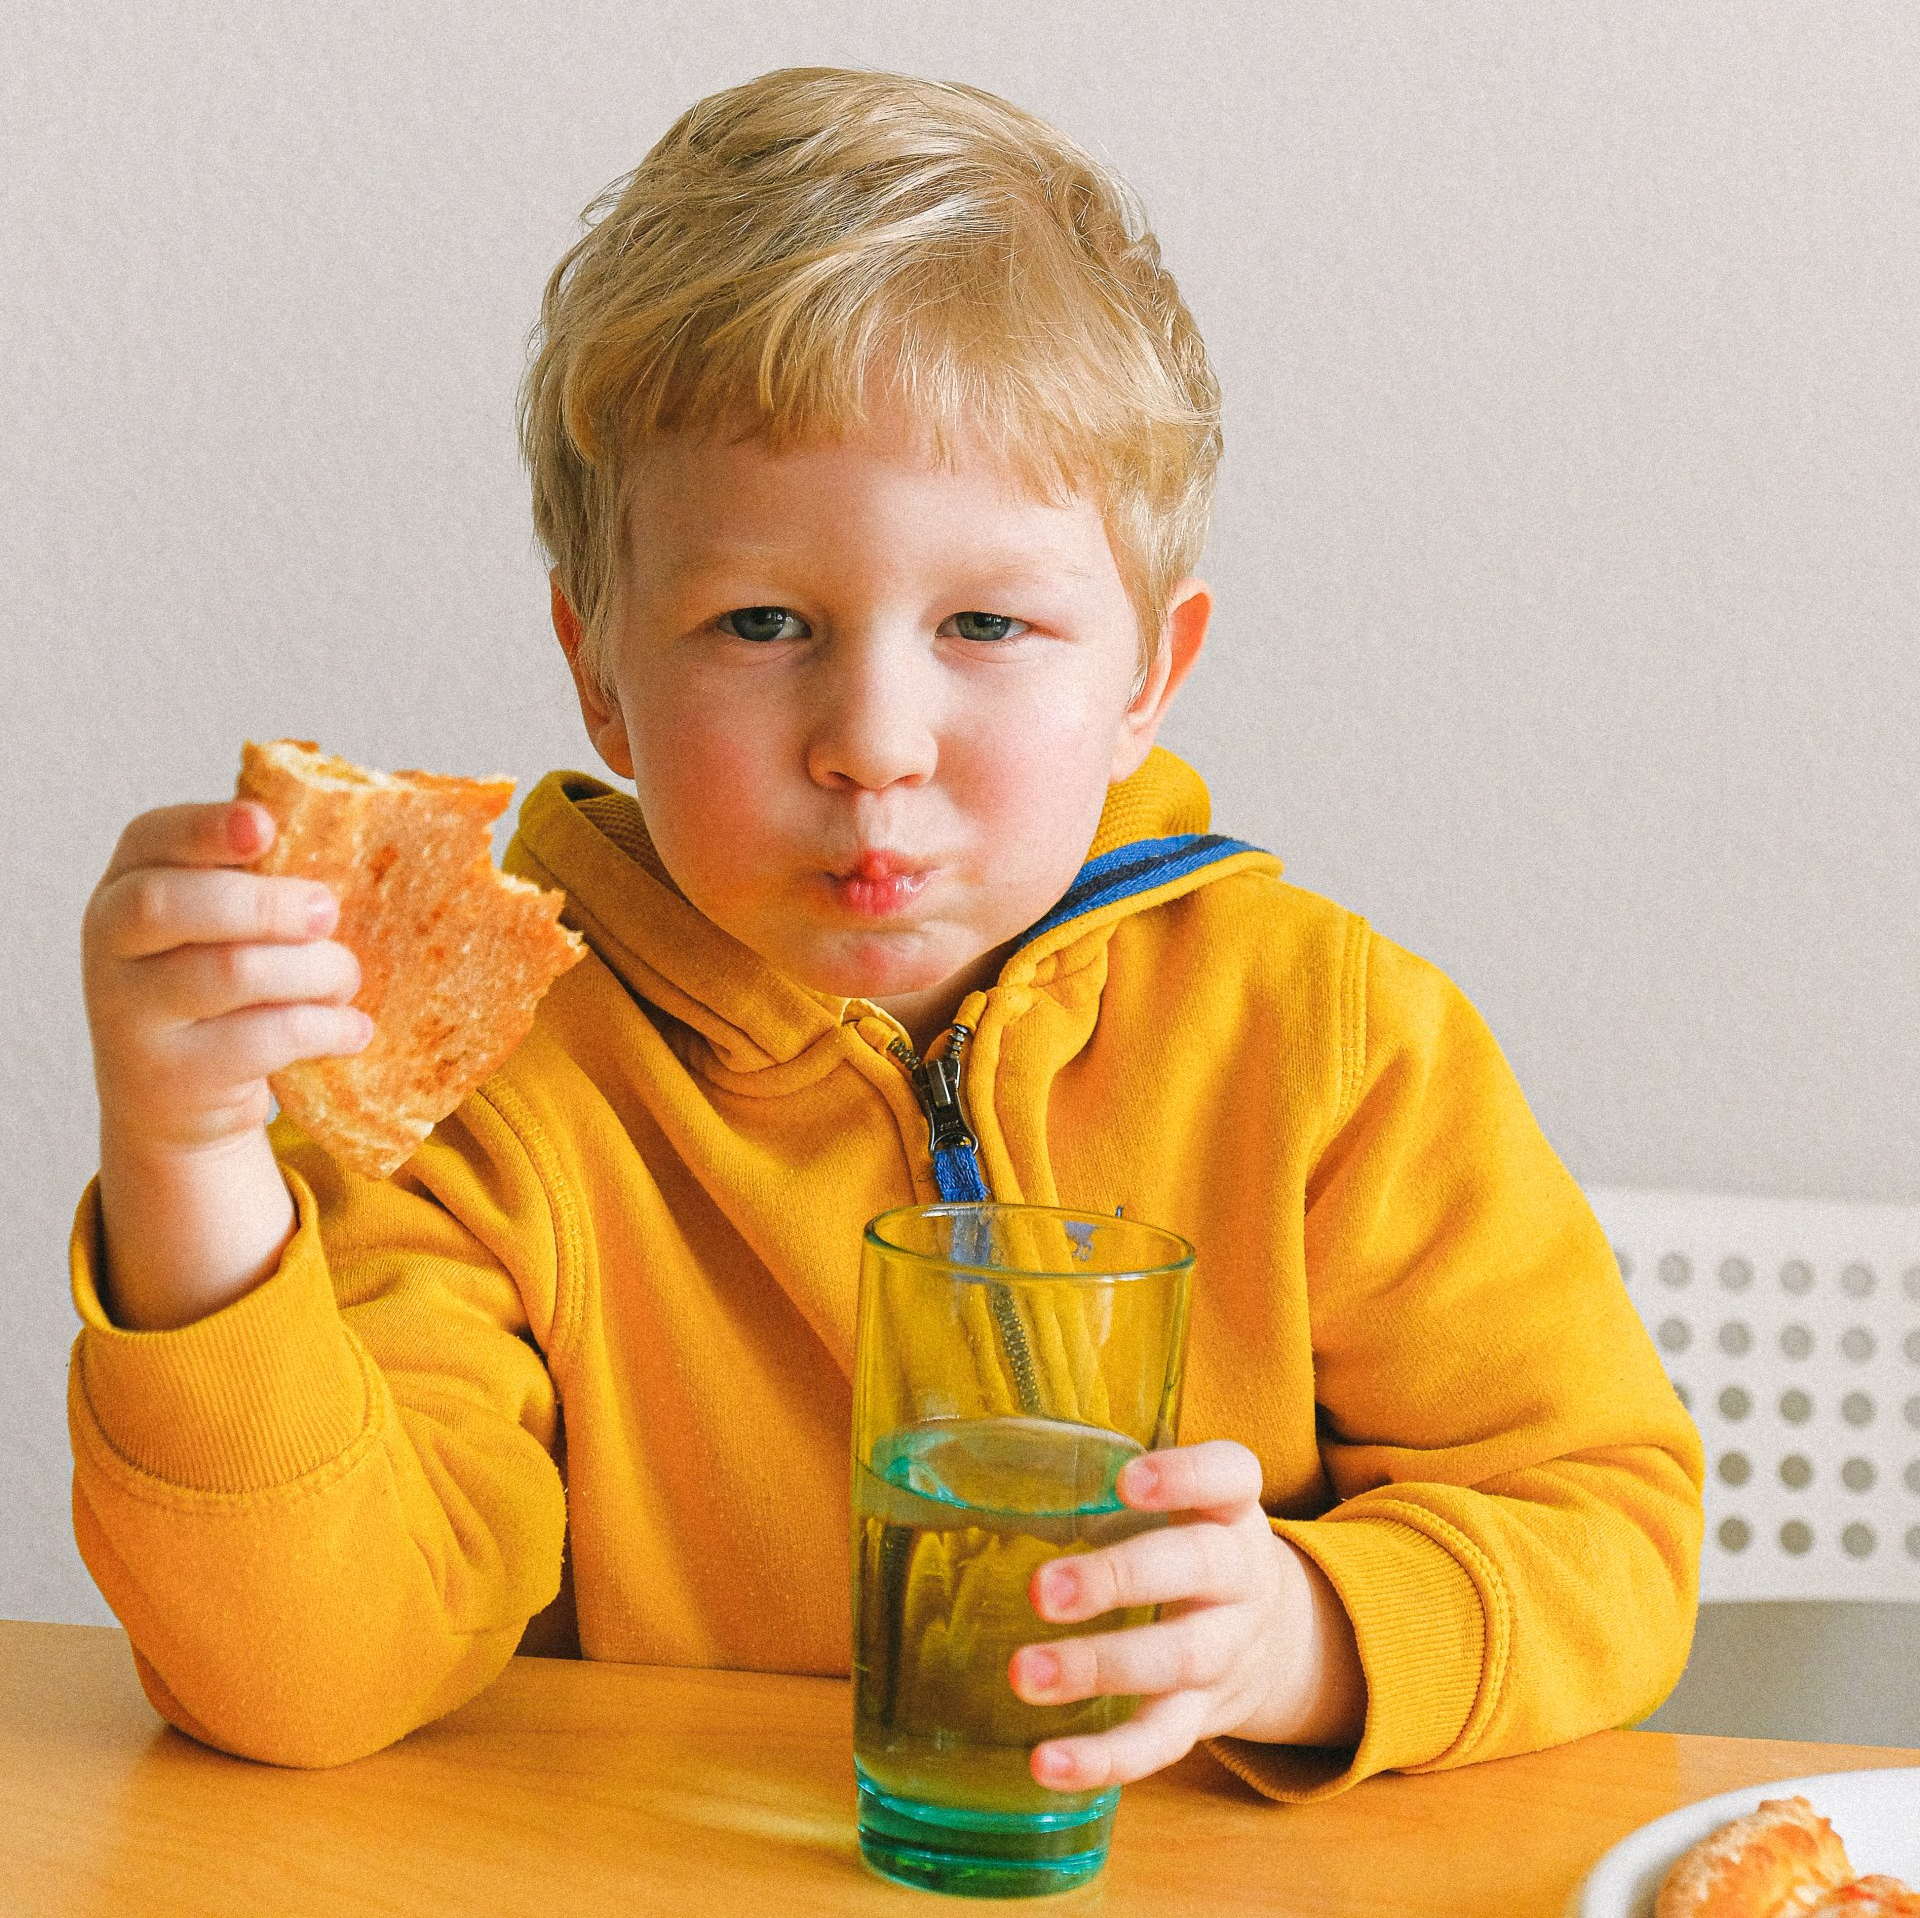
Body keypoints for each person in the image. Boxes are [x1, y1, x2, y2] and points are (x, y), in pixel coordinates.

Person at [71, 67, 1702, 1802]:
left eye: (987, 620)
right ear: (599, 670)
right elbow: (305, 1673)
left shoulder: (1330, 1044)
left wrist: (1304, 1630)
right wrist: (188, 1167)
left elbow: (1602, 1519)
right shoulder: (497, 1096)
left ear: (1147, 673)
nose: (875, 737)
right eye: (762, 620)